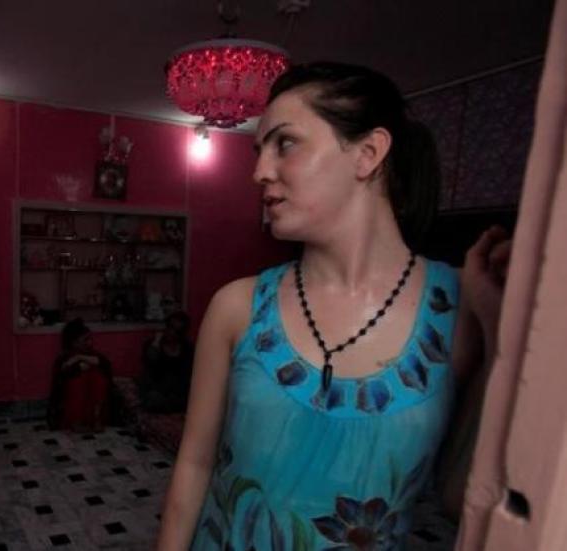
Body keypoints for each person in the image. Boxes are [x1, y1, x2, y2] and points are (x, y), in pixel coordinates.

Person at [157, 62, 510, 550]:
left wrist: (501, 336)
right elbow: (195, 466)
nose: (259, 172)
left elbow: (460, 498)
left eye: (285, 143)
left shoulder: (462, 305)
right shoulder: (238, 307)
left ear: (368, 153)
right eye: (259, 152)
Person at [47, 318, 113, 432]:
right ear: (74, 342)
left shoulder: (90, 353)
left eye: (90, 339)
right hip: (71, 403)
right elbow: (62, 374)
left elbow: (105, 363)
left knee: (97, 377)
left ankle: (96, 418)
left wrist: (79, 357)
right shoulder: (65, 356)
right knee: (79, 379)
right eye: (85, 340)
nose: (89, 342)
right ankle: (76, 421)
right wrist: (78, 367)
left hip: (90, 400)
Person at [140, 311, 195, 413]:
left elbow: (188, 374)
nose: (172, 333)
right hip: (158, 388)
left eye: (178, 331)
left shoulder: (187, 348)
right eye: (170, 327)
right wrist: (156, 342)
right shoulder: (153, 344)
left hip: (177, 391)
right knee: (153, 398)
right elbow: (150, 363)